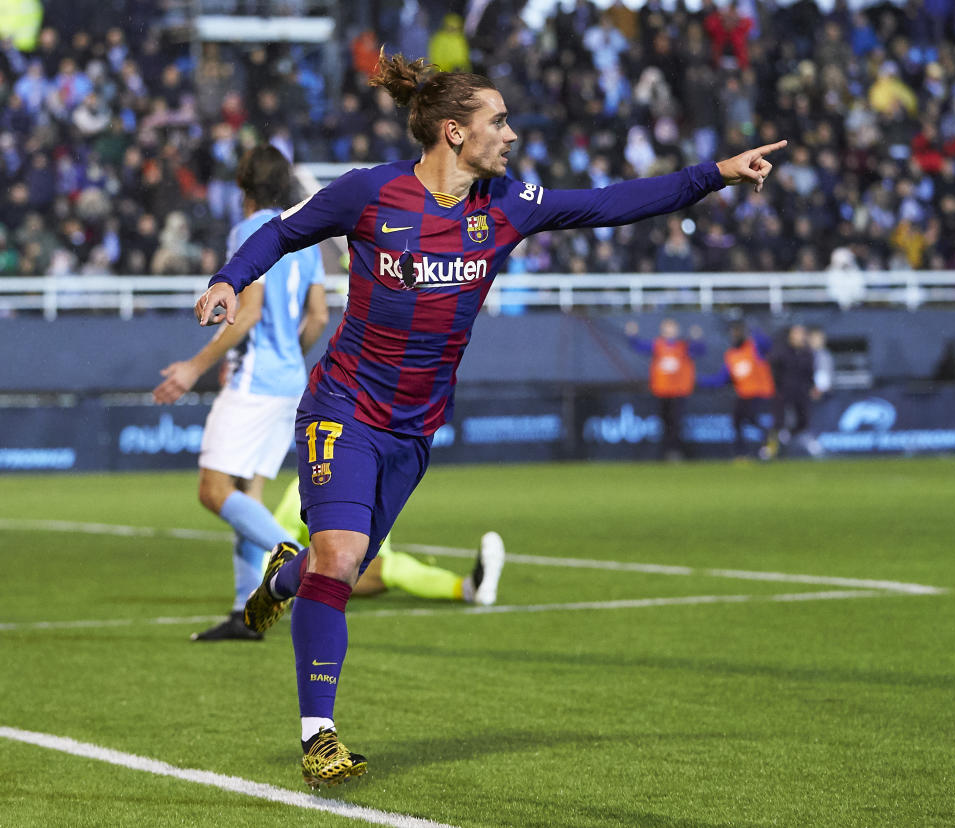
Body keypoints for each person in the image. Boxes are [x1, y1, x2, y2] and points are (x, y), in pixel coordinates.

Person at [194, 51, 785, 788]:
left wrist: (715, 173)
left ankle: (281, 583)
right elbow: (281, 232)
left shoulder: (508, 205)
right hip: (342, 409)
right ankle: (319, 736)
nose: (510, 133)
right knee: (341, 559)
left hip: (412, 432)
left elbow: (611, 202)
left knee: (332, 569)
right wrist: (227, 278)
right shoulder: (369, 193)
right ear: (452, 132)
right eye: (497, 121)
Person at [153, 146, 329, 642]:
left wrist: (192, 367)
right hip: (290, 382)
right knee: (248, 495)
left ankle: (296, 559)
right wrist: (289, 356)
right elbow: (317, 316)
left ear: (245, 186)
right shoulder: (308, 239)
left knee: (214, 490)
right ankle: (246, 613)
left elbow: (247, 312)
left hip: (255, 381)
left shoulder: (251, 231)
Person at [270, 479, 504, 604]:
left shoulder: (369, 491)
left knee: (391, 566)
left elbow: (380, 555)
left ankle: (467, 588)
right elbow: (274, 545)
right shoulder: (301, 491)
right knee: (391, 567)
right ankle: (467, 589)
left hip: (348, 572)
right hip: (311, 574)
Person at [624, 318, 704, 460]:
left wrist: (697, 339)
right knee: (665, 423)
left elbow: (699, 350)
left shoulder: (683, 346)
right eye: (667, 330)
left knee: (676, 423)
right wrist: (632, 335)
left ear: (677, 331)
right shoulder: (658, 345)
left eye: (672, 329)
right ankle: (666, 452)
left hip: (678, 392)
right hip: (662, 391)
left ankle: (675, 452)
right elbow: (639, 346)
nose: (670, 332)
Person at [700, 321, 777, 459]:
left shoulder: (754, 347)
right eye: (733, 333)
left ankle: (768, 440)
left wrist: (753, 330)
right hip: (744, 393)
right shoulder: (731, 354)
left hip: (760, 392)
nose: (735, 335)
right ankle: (742, 453)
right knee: (737, 422)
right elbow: (722, 378)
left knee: (751, 418)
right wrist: (699, 382)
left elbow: (767, 344)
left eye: (738, 332)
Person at [768, 323, 817, 454]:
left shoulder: (807, 353)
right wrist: (778, 386)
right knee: (778, 421)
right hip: (783, 390)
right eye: (796, 333)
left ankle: (788, 438)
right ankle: (770, 449)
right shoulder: (782, 351)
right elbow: (775, 370)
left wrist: (812, 386)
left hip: (801, 391)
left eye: (801, 334)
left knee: (803, 421)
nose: (799, 337)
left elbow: (810, 373)